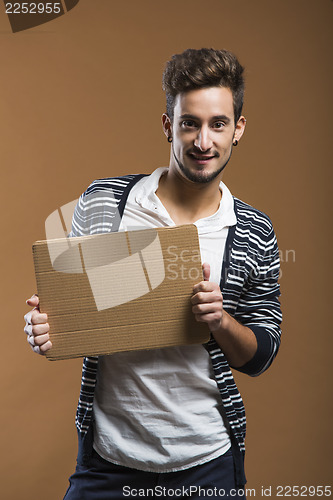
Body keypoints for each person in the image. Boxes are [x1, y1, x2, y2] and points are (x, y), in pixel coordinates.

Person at [24, 48, 282, 499]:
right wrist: (45, 329)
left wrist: (220, 322)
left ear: (238, 129)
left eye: (218, 124)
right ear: (169, 125)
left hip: (207, 465)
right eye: (190, 123)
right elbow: (70, 316)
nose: (204, 141)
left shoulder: (254, 232)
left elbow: (261, 355)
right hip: (108, 460)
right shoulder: (105, 203)